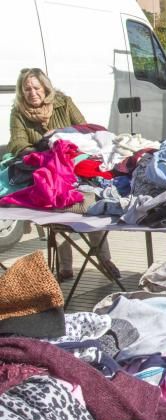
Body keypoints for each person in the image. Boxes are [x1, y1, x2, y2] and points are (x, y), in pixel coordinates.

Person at [7, 68, 117, 281]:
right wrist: (43, 152)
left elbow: (84, 129)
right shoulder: (18, 112)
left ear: (45, 87)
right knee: (56, 216)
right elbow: (17, 142)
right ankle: (65, 267)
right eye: (27, 89)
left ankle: (104, 258)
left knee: (90, 209)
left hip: (75, 166)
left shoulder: (63, 103)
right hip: (46, 170)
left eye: (36, 88)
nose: (32, 93)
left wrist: (62, 141)